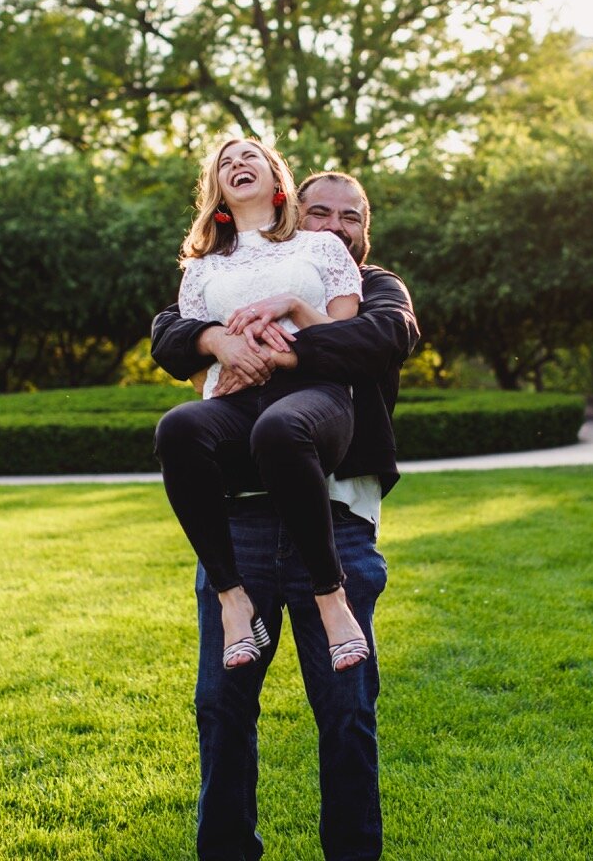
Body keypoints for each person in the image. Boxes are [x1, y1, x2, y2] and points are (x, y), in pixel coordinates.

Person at [152, 170, 419, 861]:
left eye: (350, 217)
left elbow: (382, 337)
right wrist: (218, 340)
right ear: (292, 217)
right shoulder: (240, 273)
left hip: (338, 526)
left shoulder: (377, 289)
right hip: (238, 526)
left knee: (347, 713)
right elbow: (166, 330)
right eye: (318, 212)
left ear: (366, 231)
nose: (334, 225)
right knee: (221, 709)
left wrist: (277, 345)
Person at [154, 138, 372, 677]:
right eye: (225, 162)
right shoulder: (203, 269)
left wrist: (285, 343)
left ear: (279, 181)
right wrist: (223, 346)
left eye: (250, 156)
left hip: (314, 397)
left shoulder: (319, 248)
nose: (237, 164)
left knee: (279, 429)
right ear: (218, 194)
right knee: (178, 427)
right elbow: (202, 365)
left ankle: (330, 598)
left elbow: (347, 338)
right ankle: (233, 600)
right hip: (235, 399)